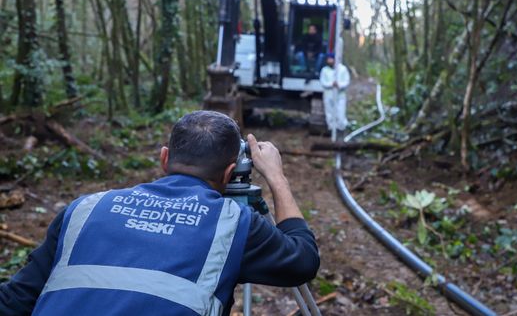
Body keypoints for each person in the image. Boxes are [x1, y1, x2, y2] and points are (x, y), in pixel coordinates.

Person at [0, 111, 319, 316]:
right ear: (230, 173)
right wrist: (276, 177)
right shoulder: (232, 223)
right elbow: (303, 260)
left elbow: (14, 301)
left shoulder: (84, 208)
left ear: (164, 159)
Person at [320, 53, 350, 133]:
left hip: (340, 95)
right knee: (330, 113)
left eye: (331, 59)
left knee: (340, 113)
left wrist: (339, 85)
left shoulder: (342, 69)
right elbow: (323, 82)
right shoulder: (324, 70)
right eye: (328, 59)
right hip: (328, 95)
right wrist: (331, 84)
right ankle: (331, 128)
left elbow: (346, 81)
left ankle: (341, 128)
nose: (329, 61)